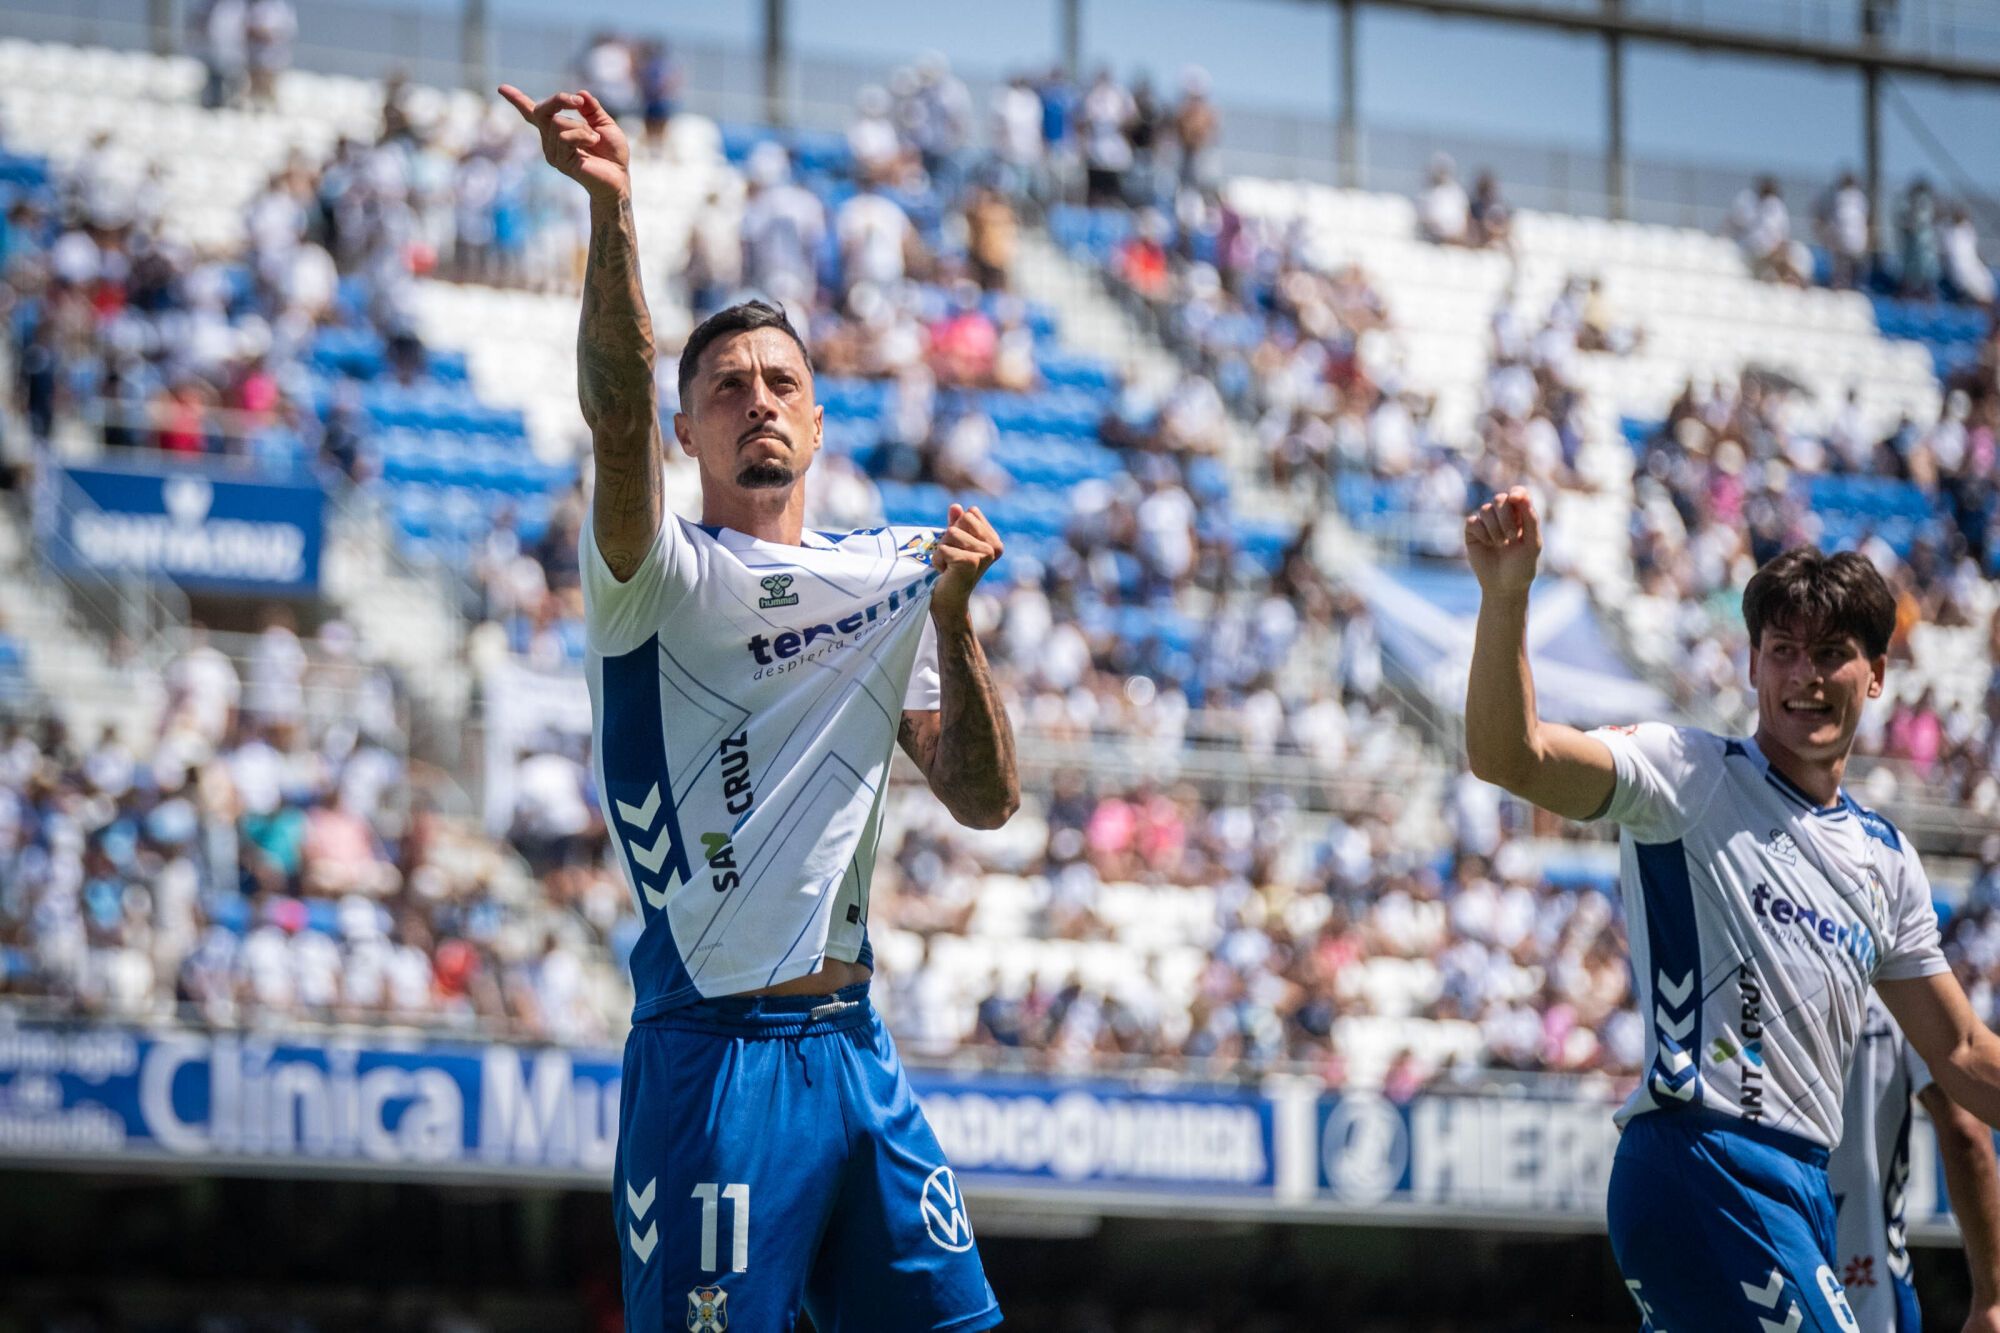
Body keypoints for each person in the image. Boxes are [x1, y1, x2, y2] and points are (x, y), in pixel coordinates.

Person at [500, 84, 1016, 1332]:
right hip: (714, 1059)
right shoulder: (655, 577)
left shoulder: (891, 578)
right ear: (688, 428)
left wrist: (954, 621)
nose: (759, 399)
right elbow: (612, 411)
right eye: (726, 386)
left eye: (780, 380)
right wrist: (614, 210)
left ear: (819, 416)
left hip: (854, 1049)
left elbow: (986, 800)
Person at [1463, 485, 2000, 1331]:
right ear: (1751, 664)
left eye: (1831, 653)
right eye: (1782, 650)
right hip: (1703, 1162)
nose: (1805, 677)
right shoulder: (1689, 775)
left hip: (1798, 1194)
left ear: (1878, 672)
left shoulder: (1887, 861)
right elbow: (1512, 756)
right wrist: (1505, 598)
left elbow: (1964, 1053)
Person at [1829, 994, 2000, 1332]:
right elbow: (1965, 1128)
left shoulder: (1724, 971)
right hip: (1865, 1298)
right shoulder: (1894, 975)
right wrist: (1992, 1299)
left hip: (1742, 1267)